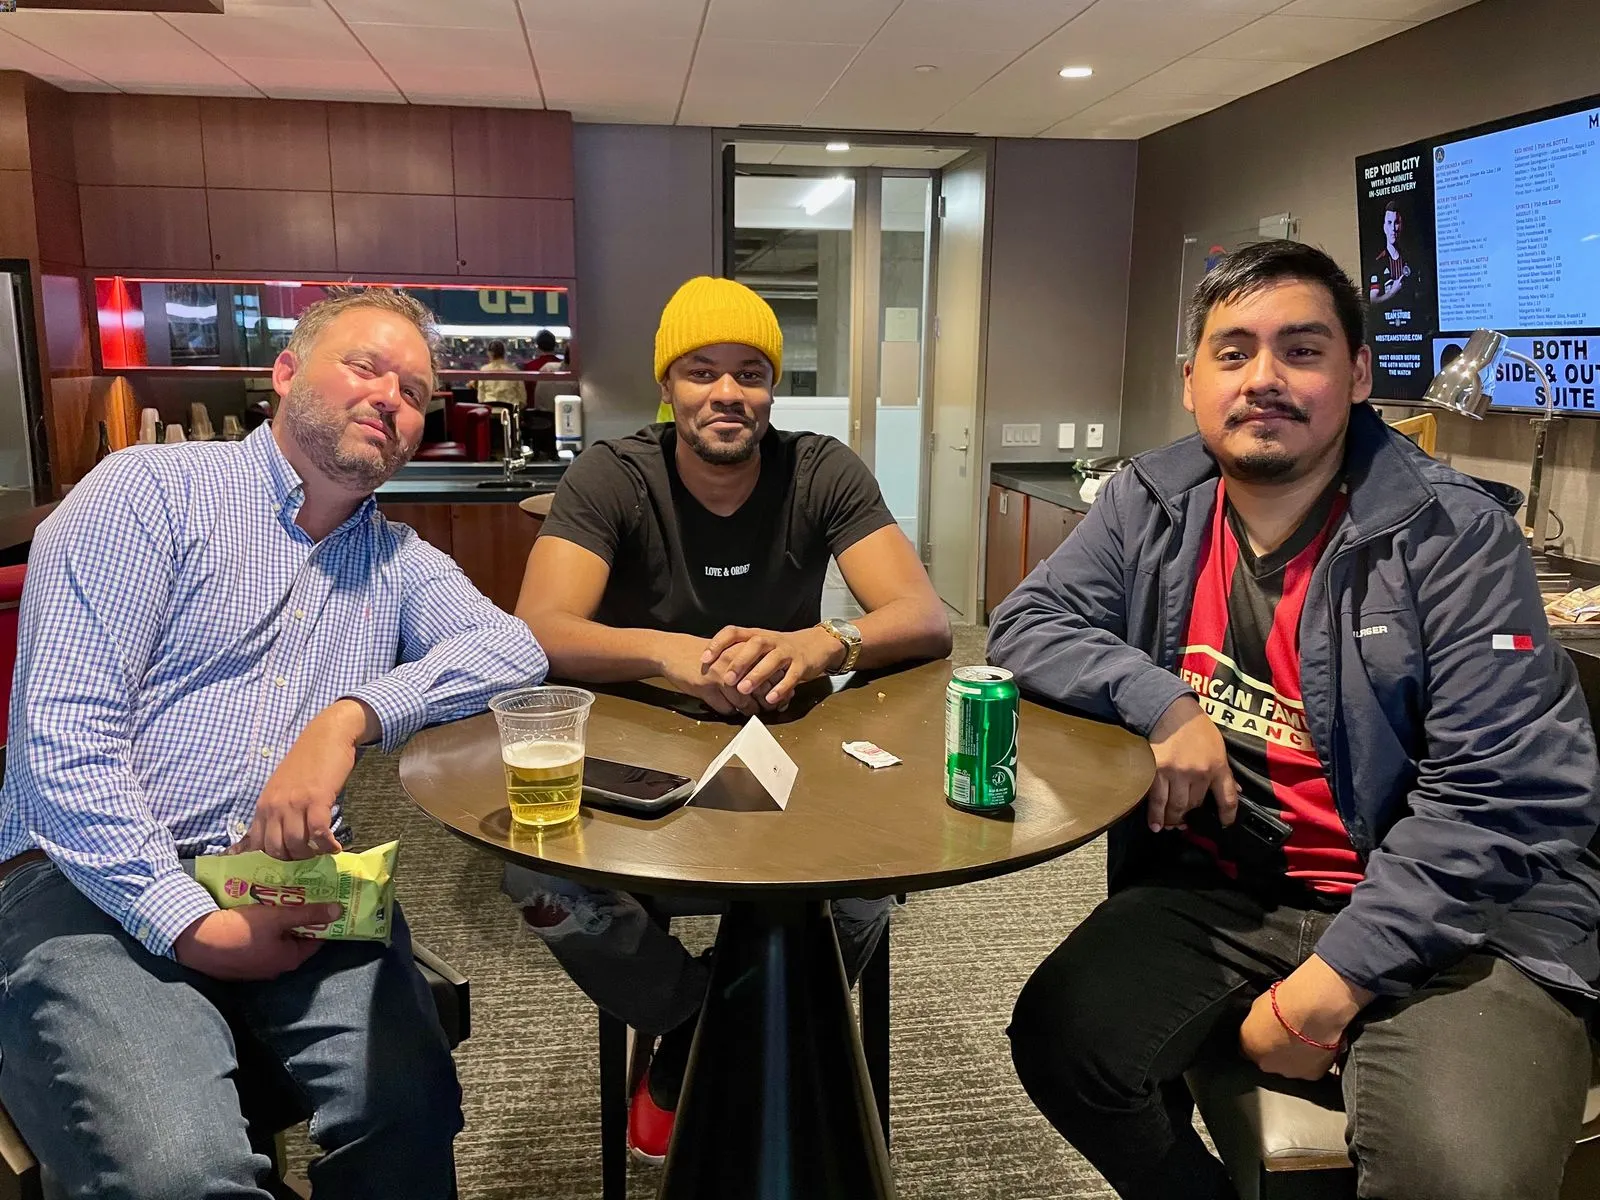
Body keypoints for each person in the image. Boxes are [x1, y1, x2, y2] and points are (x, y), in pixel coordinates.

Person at [990, 241, 1600, 1200]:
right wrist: (1162, 699)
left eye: (1302, 351)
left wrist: (1330, 987)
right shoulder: (1152, 502)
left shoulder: (1456, 536)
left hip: (1462, 921)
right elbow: (1026, 623)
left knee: (1458, 1179)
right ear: (1190, 380)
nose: (1263, 379)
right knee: (1066, 1044)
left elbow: (1504, 796)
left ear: (1358, 375)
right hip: (1236, 888)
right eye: (1233, 352)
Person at [0, 287, 549, 1198]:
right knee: (182, 1172)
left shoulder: (396, 561)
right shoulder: (149, 493)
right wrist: (191, 921)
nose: (391, 399)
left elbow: (515, 650)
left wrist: (349, 716)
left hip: (286, 870)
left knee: (409, 1111)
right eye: (366, 367)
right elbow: (64, 742)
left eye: (415, 392)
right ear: (286, 374)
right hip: (83, 874)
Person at [507, 275, 952, 1163]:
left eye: (750, 373)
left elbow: (925, 616)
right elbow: (539, 632)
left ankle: (708, 1037)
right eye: (702, 371)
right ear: (667, 386)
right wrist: (672, 654)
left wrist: (824, 642)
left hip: (787, 750)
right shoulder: (612, 474)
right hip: (638, 758)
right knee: (539, 880)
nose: (727, 394)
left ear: (772, 389)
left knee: (871, 884)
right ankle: (702, 1022)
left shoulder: (821, 467)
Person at [1368, 200, 1411, 304]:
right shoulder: (1378, 263)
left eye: (1396, 223)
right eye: (1389, 222)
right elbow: (1373, 300)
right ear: (1384, 227)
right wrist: (1392, 292)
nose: (1393, 228)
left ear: (1401, 226)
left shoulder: (1411, 259)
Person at [472, 338, 528, 408]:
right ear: (504, 353)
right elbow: (522, 398)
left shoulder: (484, 370)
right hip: (510, 413)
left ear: (489, 353)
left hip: (490, 412)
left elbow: (480, 398)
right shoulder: (515, 370)